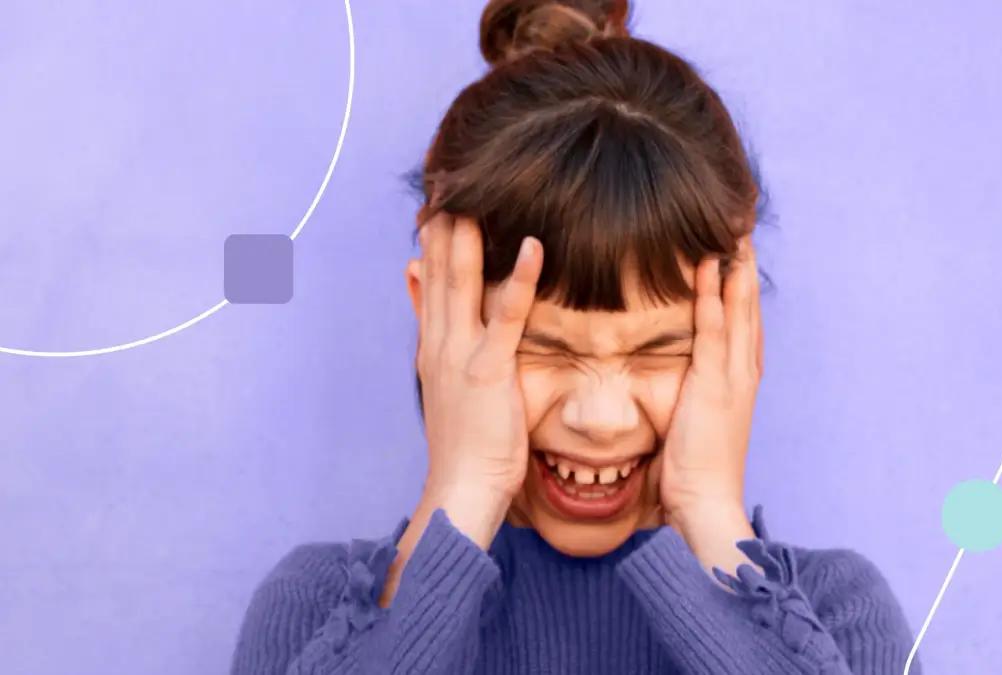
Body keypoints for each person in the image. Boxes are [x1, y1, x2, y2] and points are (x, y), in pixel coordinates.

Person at [230, 1, 921, 673]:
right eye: (544, 347)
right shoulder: (315, 607)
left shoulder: (839, 614)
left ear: (739, 335)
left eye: (661, 351)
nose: (600, 418)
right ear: (437, 314)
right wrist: (463, 492)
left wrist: (710, 509)